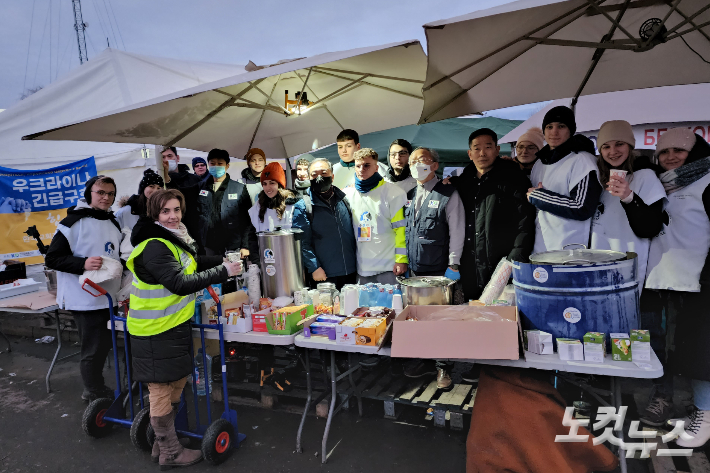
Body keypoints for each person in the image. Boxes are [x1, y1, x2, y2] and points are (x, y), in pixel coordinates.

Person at [127, 189, 242, 468]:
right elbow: (178, 282)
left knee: (177, 381)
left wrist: (223, 261)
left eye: (177, 210)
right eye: (165, 211)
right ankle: (170, 452)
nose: (172, 216)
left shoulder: (175, 241)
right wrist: (224, 272)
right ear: (155, 214)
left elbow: (192, 263)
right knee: (160, 389)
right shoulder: (155, 244)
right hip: (154, 330)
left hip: (172, 326)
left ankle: (161, 442)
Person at [640, 129, 710, 444]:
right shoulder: (664, 183)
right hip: (664, 277)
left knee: (701, 350)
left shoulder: (706, 181)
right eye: (664, 151)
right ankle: (695, 408)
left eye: (678, 151)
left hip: (699, 280)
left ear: (694, 153)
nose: (669, 157)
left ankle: (705, 415)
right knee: (674, 346)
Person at [45, 175, 122, 402]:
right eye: (101, 192)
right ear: (89, 193)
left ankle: (99, 389)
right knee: (93, 349)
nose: (106, 197)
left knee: (105, 345)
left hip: (109, 297)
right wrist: (82, 264)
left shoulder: (113, 221)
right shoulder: (72, 223)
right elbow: (53, 258)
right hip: (85, 299)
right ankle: (93, 393)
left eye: (110, 193)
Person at [401, 147, 465, 389]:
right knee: (418, 317)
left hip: (439, 268)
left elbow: (457, 230)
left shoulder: (448, 193)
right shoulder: (409, 192)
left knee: (442, 319)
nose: (418, 165)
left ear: (435, 165)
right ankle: (422, 360)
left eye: (423, 160)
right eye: (414, 161)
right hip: (416, 268)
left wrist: (454, 263)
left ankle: (443, 367)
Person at [447, 128, 535, 301]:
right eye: (477, 148)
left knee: (502, 316)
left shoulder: (514, 179)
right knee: (473, 315)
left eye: (488, 147)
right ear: (470, 153)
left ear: (497, 150)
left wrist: (514, 259)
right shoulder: (463, 182)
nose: (482, 153)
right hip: (470, 266)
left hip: (502, 265)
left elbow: (525, 222)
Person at [590, 120, 665, 286]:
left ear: (630, 146)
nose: (613, 151)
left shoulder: (645, 176)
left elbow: (650, 228)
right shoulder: (600, 178)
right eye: (606, 147)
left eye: (619, 144)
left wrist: (629, 198)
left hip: (626, 269)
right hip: (597, 265)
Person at [527, 106, 602, 252]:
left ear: (570, 130)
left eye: (561, 126)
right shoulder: (539, 163)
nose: (554, 132)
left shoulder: (583, 161)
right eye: (549, 127)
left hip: (570, 250)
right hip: (539, 248)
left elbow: (582, 207)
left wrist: (539, 197)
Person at [343, 148, 407, 285]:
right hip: (362, 269)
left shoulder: (394, 193)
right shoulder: (347, 194)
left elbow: (401, 229)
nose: (361, 169)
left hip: (389, 268)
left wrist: (401, 259)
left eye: (367, 165)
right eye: (358, 166)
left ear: (376, 167)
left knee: (391, 307)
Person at [292, 158, 358, 288]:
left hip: (351, 270)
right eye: (314, 175)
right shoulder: (303, 206)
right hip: (324, 275)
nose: (319, 178)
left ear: (332, 176)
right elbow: (301, 242)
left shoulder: (344, 199)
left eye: (324, 173)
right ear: (309, 178)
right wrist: (314, 267)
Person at [190, 148, 254, 259]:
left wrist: (245, 246)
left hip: (233, 246)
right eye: (213, 163)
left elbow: (247, 221)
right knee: (212, 275)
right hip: (208, 247)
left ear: (227, 166)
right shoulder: (200, 188)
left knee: (236, 275)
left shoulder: (239, 188)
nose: (216, 167)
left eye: (220, 164)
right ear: (208, 165)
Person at [248, 162, 300, 232]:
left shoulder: (291, 205)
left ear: (280, 185)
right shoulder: (259, 204)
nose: (268, 188)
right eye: (264, 184)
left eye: (272, 183)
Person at [115, 169, 164, 233]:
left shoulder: (164, 209)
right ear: (143, 188)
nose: (155, 191)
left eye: (159, 188)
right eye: (151, 186)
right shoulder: (127, 211)